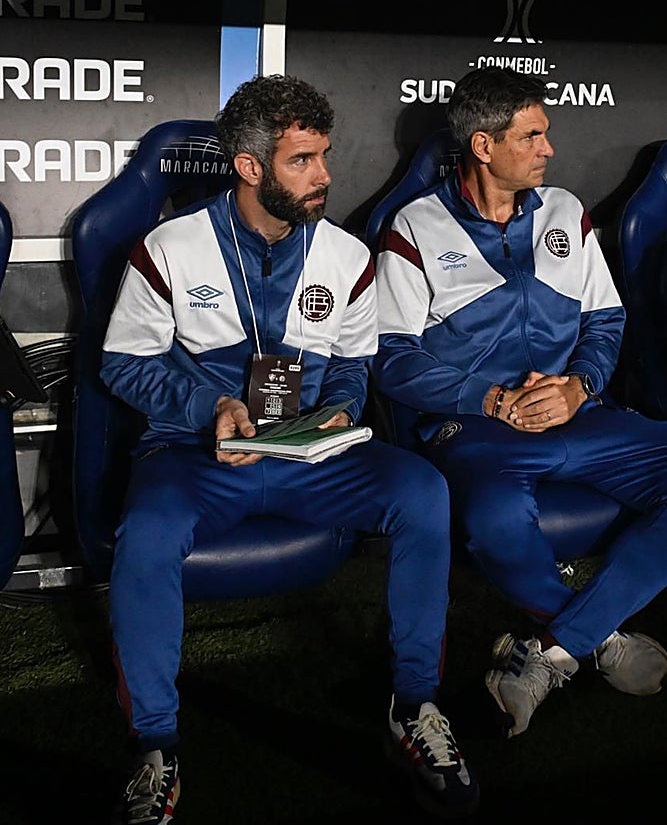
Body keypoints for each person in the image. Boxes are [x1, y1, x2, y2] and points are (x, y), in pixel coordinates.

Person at [100, 74, 477, 822]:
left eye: (325, 156)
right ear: (249, 167)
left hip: (311, 461)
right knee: (147, 532)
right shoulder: (168, 249)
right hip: (198, 457)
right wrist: (211, 407)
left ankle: (415, 707)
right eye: (302, 160)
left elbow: (350, 365)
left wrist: (335, 412)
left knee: (422, 491)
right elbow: (123, 363)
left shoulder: (345, 255)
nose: (325, 176)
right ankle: (156, 746)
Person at [372, 65, 667, 738]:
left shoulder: (567, 211)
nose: (549, 149)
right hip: (475, 426)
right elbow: (391, 360)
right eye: (533, 136)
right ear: (484, 146)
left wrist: (581, 385)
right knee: (494, 514)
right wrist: (492, 400)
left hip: (578, 414)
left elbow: (604, 321)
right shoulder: (415, 226)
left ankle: (554, 649)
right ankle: (595, 637)